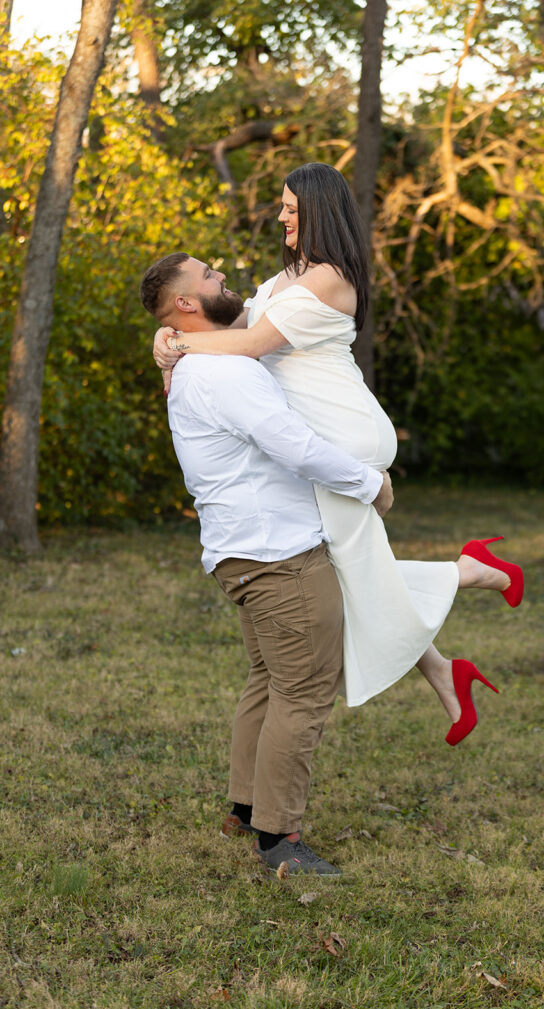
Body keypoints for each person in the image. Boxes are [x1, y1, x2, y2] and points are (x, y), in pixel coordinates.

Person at [153, 163, 524, 745]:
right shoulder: (285, 280)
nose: (281, 217)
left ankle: (471, 575)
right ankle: (448, 665)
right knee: (349, 575)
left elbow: (249, 344)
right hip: (328, 430)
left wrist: (177, 340)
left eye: (291, 209)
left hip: (344, 433)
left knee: (347, 575)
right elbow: (231, 324)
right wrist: (169, 336)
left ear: (320, 212)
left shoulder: (329, 278)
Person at [140, 252, 395, 876]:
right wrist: (370, 484)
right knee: (303, 692)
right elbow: (293, 444)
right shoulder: (222, 374)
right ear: (186, 304)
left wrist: (168, 340)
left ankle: (245, 807)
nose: (222, 274)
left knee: (268, 680)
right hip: (280, 557)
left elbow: (261, 321)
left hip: (241, 553)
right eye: (208, 276)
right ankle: (280, 840)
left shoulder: (203, 363)